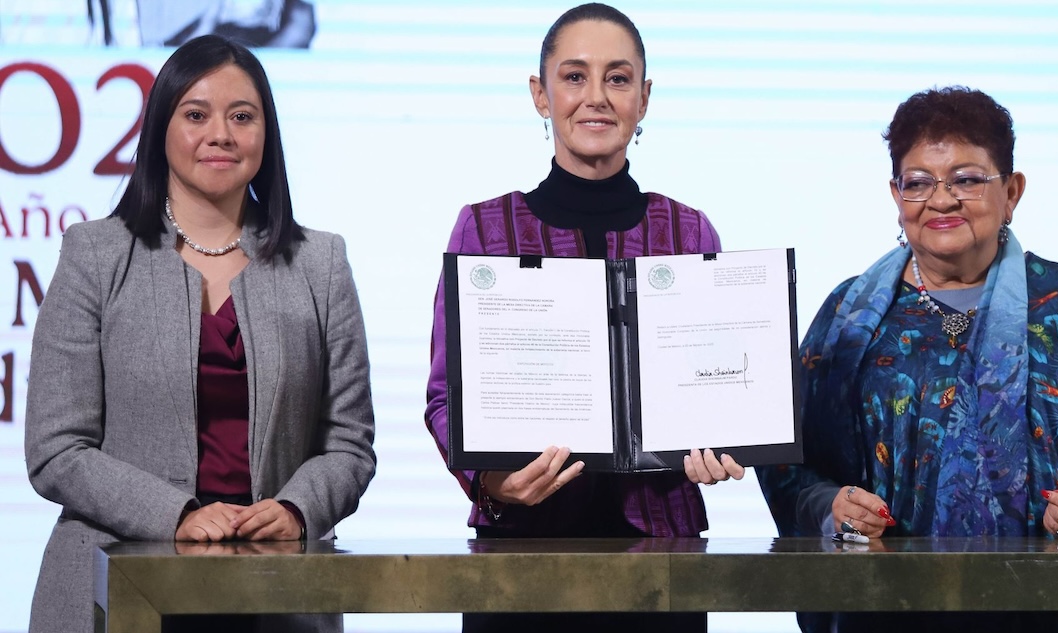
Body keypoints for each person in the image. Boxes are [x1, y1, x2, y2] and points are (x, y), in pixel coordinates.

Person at [757, 86, 1058, 633]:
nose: (942, 200)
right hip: (883, 609)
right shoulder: (847, 316)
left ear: (1012, 191)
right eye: (919, 182)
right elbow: (785, 452)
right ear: (895, 194)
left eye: (967, 179)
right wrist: (828, 507)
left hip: (1049, 607)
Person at [23, 34, 375, 633]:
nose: (221, 134)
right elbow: (57, 449)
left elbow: (348, 444)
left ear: (267, 134)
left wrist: (297, 509)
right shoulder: (95, 255)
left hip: (278, 593)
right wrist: (176, 514)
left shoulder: (322, 264)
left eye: (243, 116)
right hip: (119, 589)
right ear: (162, 129)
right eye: (196, 114)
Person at [424, 4, 741, 632]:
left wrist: (725, 439)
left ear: (644, 99)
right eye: (574, 77)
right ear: (540, 94)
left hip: (663, 565)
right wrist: (489, 480)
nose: (595, 97)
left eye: (618, 79)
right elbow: (445, 398)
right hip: (520, 557)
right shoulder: (485, 229)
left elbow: (717, 389)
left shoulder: (688, 230)